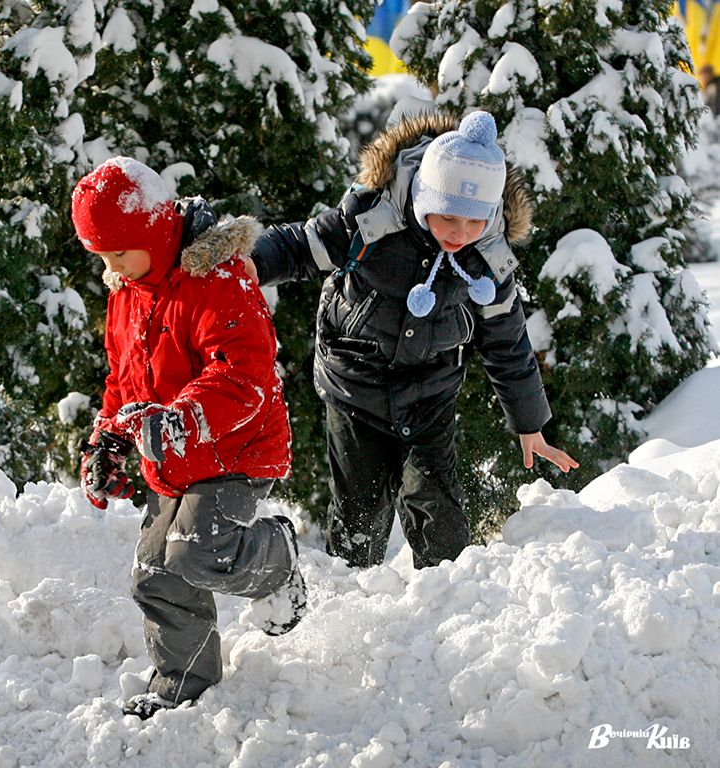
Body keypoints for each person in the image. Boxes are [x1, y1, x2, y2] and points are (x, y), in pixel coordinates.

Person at [234, 111, 578, 571]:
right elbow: (303, 245)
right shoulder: (372, 218)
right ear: (424, 198)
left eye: (475, 221)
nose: (460, 233)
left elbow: (507, 343)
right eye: (449, 217)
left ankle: (448, 596)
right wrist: (254, 264)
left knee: (439, 511)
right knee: (360, 516)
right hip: (355, 384)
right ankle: (352, 598)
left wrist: (529, 422)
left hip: (430, 391)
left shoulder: (487, 259)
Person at [71, 157, 307, 720]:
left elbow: (244, 375)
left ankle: (277, 559)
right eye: (101, 257)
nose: (112, 267)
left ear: (152, 231)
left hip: (235, 449)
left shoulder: (218, 280)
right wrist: (107, 439)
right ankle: (185, 685)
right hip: (172, 457)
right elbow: (122, 379)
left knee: (198, 549)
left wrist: (182, 419)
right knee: (156, 573)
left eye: (119, 252)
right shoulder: (127, 291)